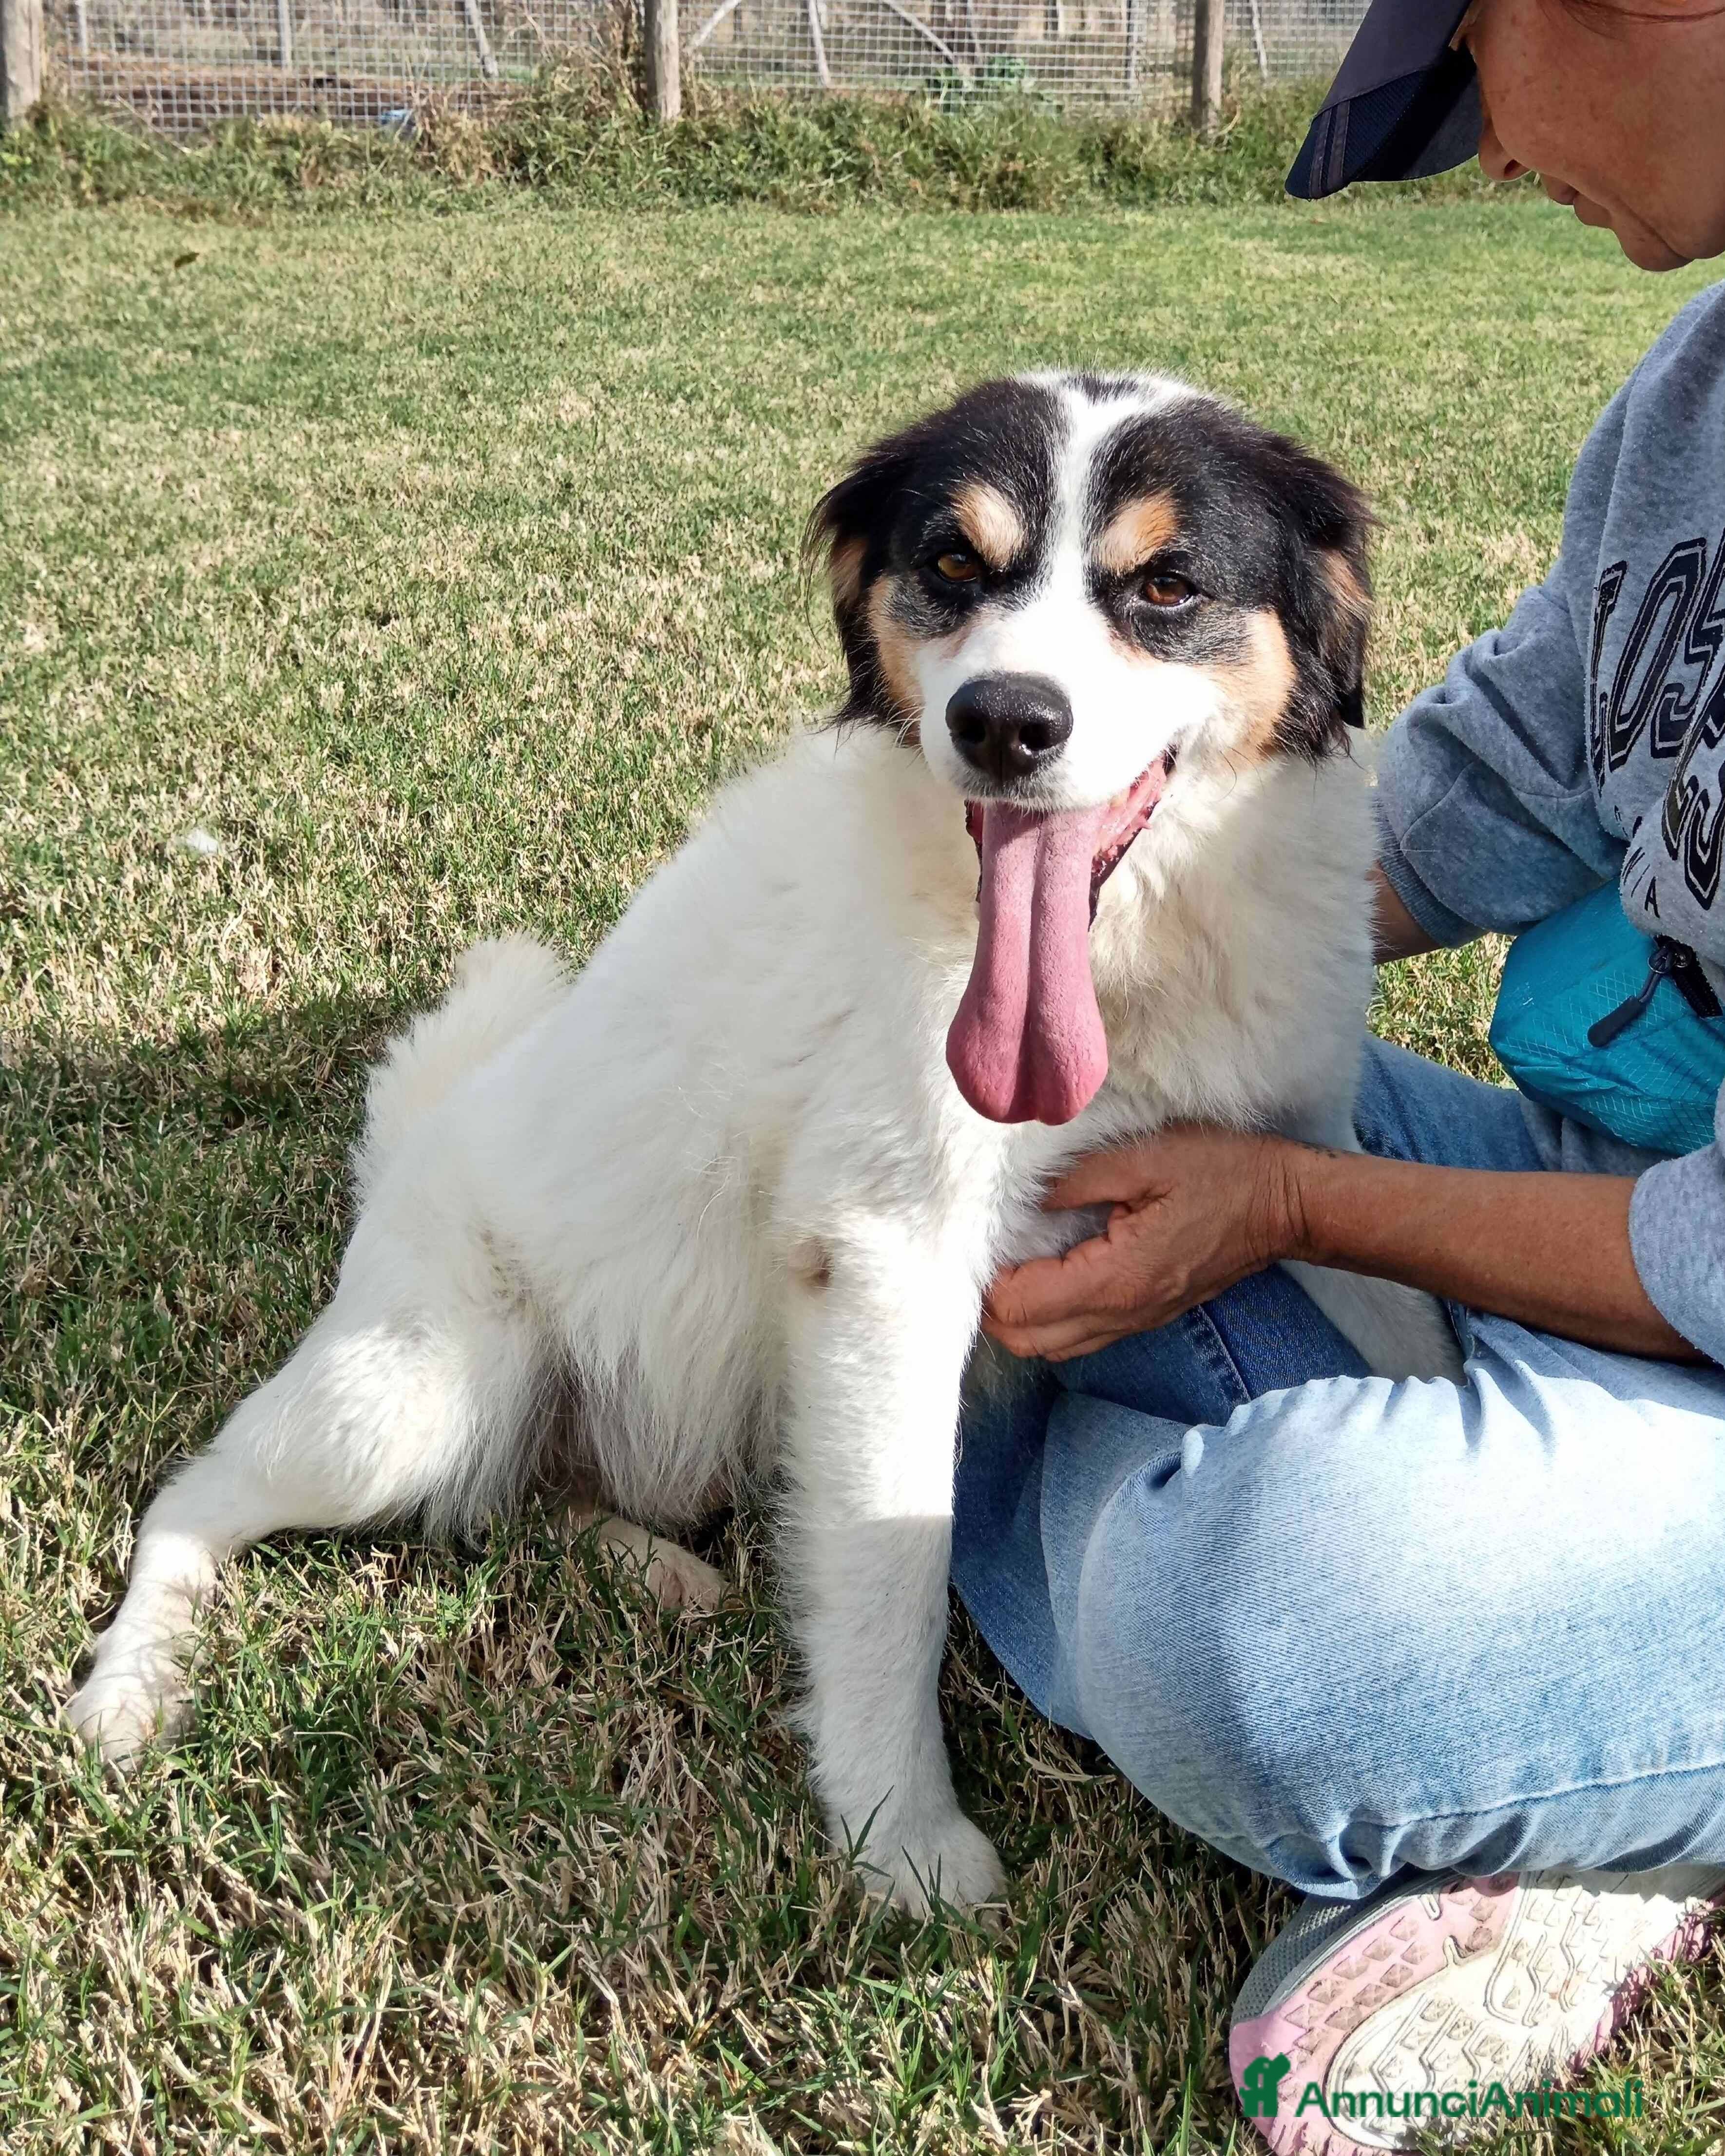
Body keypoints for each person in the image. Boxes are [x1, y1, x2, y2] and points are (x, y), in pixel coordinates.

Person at [948, 0, 1725, 2142]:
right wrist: (1069, 934)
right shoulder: (1696, 396)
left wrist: (1292, 1205)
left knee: (1265, 1629)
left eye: (1470, 63)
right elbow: (1495, 782)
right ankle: (1485, 1621)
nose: (1491, 156)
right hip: (1637, 1192)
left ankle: (1579, 1785)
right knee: (1024, 1151)